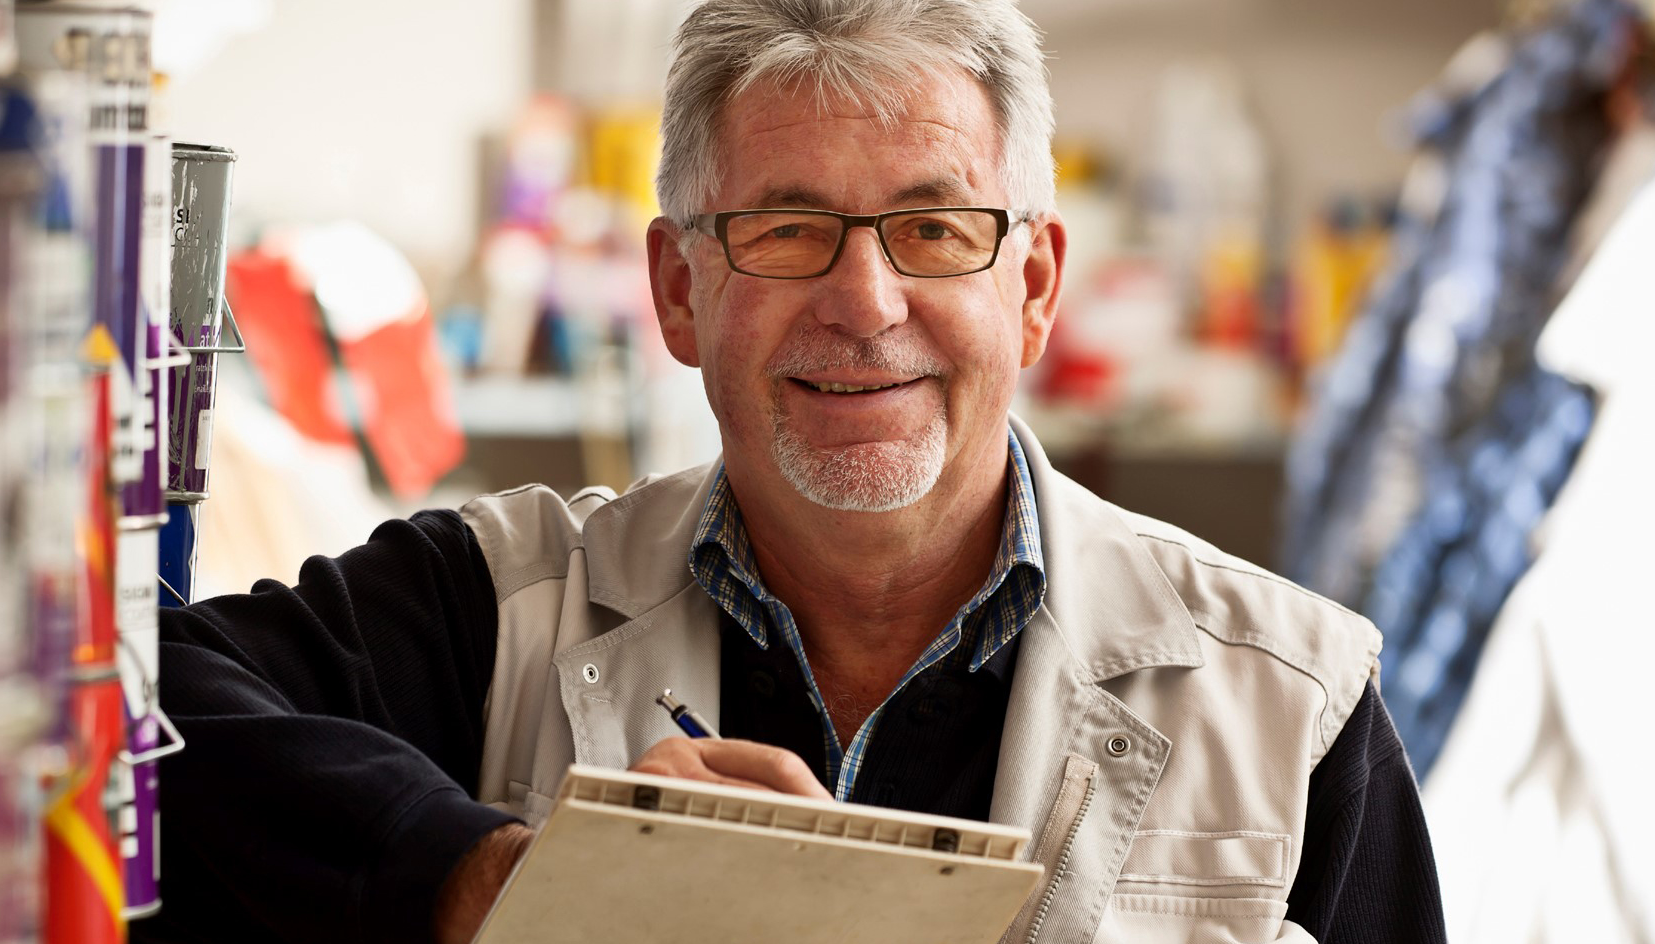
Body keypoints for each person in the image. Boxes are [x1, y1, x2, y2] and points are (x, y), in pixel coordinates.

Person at [137, 1, 1445, 942]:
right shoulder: (495, 605)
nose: (864, 302)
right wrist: (478, 872)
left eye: (935, 228)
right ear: (678, 290)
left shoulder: (1289, 704)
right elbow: (130, 703)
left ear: (1034, 286)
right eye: (787, 228)